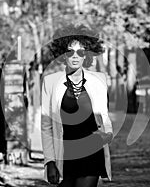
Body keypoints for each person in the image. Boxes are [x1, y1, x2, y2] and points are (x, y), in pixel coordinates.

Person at [41, 24, 113, 187]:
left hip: (91, 152)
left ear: (86, 55)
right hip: (64, 153)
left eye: (80, 52)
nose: (75, 56)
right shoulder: (50, 82)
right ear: (62, 54)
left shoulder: (99, 80)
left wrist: (107, 133)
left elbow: (104, 117)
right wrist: (49, 162)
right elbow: (46, 126)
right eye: (70, 51)